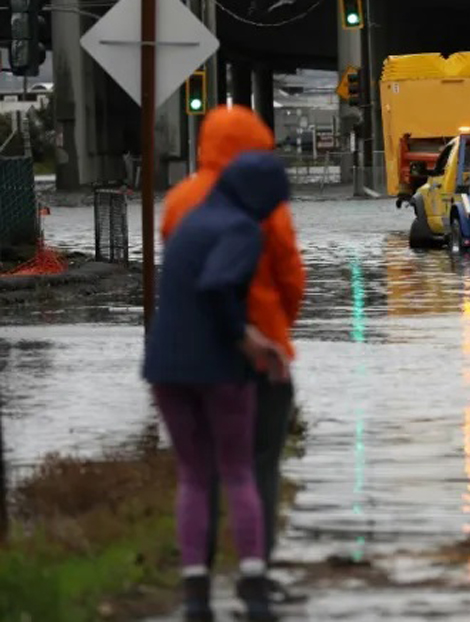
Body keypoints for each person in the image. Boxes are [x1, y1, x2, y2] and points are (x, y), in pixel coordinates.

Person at [163, 104, 306, 604]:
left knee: (197, 473)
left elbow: (178, 275)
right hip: (258, 353)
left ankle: (197, 583)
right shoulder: (263, 204)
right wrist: (277, 331)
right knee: (257, 465)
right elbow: (291, 277)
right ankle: (256, 577)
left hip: (192, 354)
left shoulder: (179, 200)